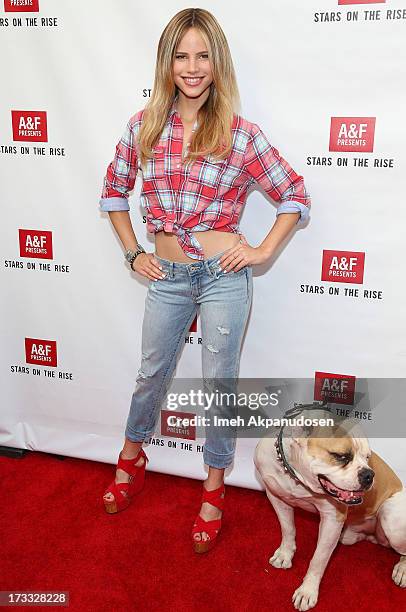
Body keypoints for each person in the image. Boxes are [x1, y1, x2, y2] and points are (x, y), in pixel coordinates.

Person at [99, 7, 311, 553]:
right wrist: (132, 253)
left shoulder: (241, 134)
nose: (192, 67)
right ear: (166, 61)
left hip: (223, 276)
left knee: (218, 387)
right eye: (181, 54)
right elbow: (112, 194)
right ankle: (131, 455)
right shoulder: (144, 125)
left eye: (203, 56)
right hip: (166, 274)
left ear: (218, 64)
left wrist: (261, 249)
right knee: (151, 372)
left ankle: (213, 487)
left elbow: (294, 195)